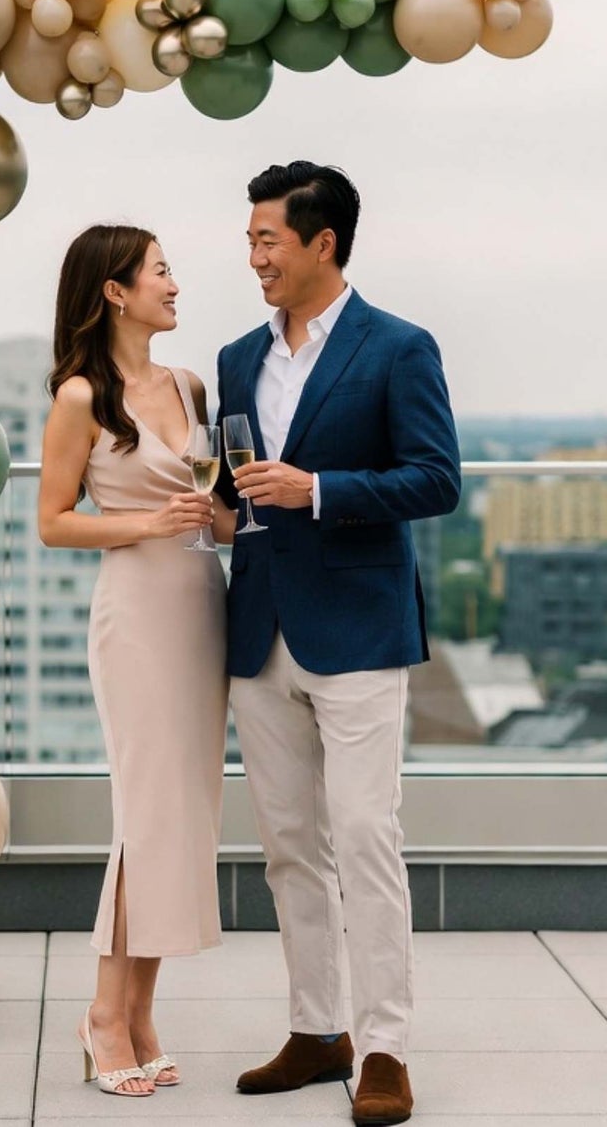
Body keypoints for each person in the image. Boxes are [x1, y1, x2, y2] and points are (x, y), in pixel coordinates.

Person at [215, 161, 460, 1127]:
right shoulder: (237, 356)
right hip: (258, 627)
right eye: (249, 240)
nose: (253, 256)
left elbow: (434, 478)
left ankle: (385, 1044)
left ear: (323, 242)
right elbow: (234, 485)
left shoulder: (398, 346)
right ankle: (317, 1030)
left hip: (358, 628)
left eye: (266, 238)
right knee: (287, 845)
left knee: (363, 835)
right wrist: (210, 505)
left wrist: (315, 489)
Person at [39, 223, 234, 1098]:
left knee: (182, 816)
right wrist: (146, 522)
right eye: (160, 270)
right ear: (115, 290)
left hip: (201, 603)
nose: (174, 283)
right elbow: (53, 521)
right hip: (138, 615)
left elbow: (215, 509)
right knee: (145, 817)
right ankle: (102, 1014)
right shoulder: (80, 396)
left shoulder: (189, 385)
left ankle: (140, 1013)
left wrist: (254, 505)